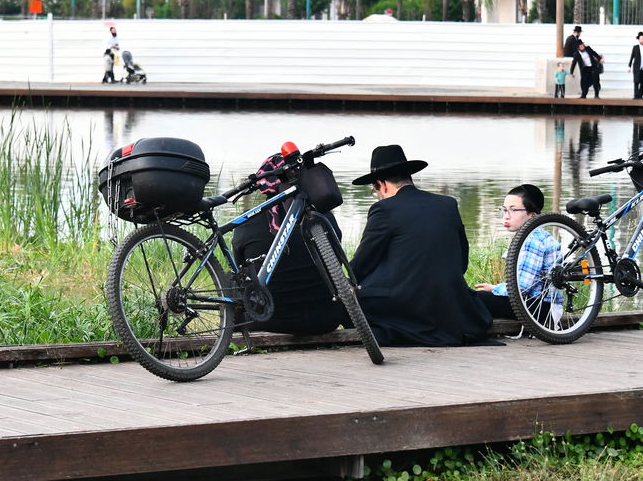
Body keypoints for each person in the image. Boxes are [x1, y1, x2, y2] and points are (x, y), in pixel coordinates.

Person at [350, 145, 492, 346]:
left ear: (382, 184)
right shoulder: (448, 204)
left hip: (405, 304)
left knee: (346, 306)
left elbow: (361, 266)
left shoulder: (384, 209)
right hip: (448, 304)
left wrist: (347, 286)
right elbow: (461, 262)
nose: (378, 195)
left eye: (375, 190)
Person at [232, 152, 347, 336]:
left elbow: (240, 270)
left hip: (269, 321)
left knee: (231, 280)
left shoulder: (248, 222)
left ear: (264, 185)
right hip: (326, 320)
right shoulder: (324, 218)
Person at [473, 184, 559, 321]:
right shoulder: (532, 235)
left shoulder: (533, 239)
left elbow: (522, 288)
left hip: (540, 308)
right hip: (539, 305)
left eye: (513, 210)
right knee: (472, 297)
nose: (506, 216)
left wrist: (495, 289)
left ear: (532, 214)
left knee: (471, 298)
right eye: (505, 210)